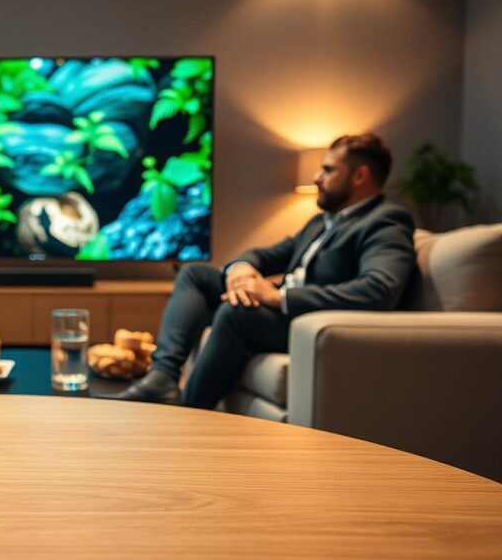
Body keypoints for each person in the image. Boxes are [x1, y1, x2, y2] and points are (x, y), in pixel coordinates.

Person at [108, 133, 416, 407]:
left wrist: (280, 298)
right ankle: (162, 377)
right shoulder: (321, 222)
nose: (316, 177)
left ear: (360, 175)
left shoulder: (385, 221)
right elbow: (266, 255)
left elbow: (380, 289)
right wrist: (241, 269)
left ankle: (192, 411)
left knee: (237, 311)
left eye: (328, 170)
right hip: (283, 309)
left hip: (308, 321)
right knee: (195, 274)